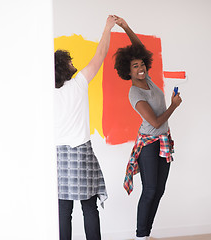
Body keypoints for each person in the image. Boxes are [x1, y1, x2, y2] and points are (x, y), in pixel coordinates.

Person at [113, 16, 182, 240]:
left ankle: (146, 234)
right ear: (128, 72)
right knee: (150, 190)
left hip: (163, 141)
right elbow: (154, 122)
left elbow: (140, 49)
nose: (141, 67)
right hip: (149, 145)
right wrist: (173, 105)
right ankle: (140, 236)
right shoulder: (135, 92)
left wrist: (125, 27)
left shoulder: (148, 80)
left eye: (142, 64)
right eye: (136, 66)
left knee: (159, 191)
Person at [54, 15, 116, 240]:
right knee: (89, 207)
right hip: (81, 152)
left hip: (58, 155)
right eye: (70, 62)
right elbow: (100, 54)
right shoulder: (79, 82)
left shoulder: (46, 93)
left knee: (63, 211)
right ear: (64, 66)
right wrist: (108, 27)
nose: (74, 64)